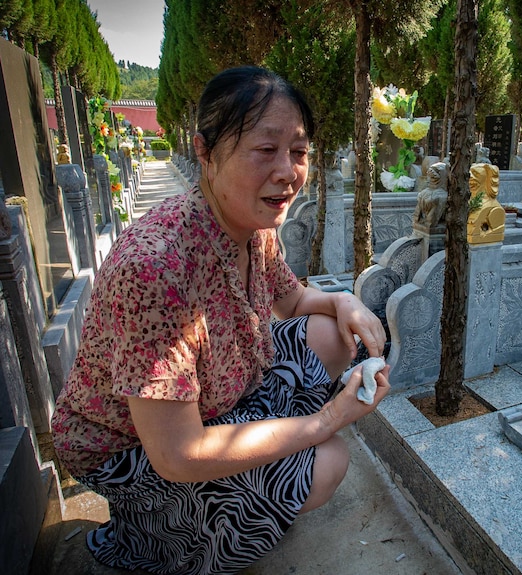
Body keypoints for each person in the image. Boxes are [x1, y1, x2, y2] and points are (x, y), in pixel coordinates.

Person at [51, 66, 390, 575]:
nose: (287, 172)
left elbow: (294, 300)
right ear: (206, 152)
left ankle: (258, 484)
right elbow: (179, 455)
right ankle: (154, 535)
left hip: (220, 396)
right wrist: (327, 420)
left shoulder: (254, 224)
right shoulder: (155, 270)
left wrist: (346, 303)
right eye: (265, 149)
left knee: (331, 335)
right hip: (138, 450)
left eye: (298, 152)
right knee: (329, 461)